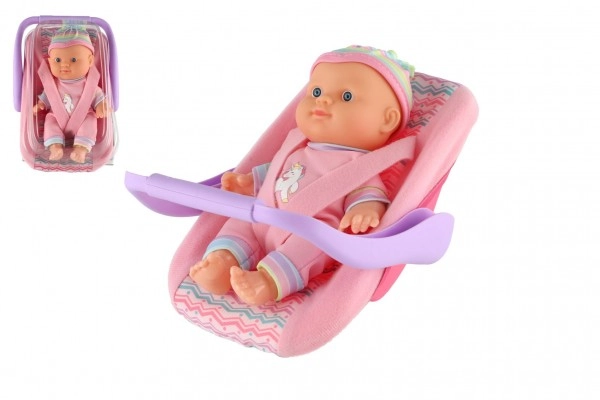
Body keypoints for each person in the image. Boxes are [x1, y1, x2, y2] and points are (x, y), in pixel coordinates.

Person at [190, 45, 414, 306]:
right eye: (316, 92)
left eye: (347, 96)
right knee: (239, 222)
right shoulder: (297, 147)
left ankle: (266, 282)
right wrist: (248, 182)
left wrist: (364, 211)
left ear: (387, 120)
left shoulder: (360, 166)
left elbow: (369, 195)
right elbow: (277, 174)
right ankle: (221, 262)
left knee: (312, 246)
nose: (323, 100)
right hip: (261, 216)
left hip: (309, 230)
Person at [33, 25, 108, 163]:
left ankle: (81, 149)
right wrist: (41, 104)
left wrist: (101, 105)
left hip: (83, 117)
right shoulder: (53, 85)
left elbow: (97, 95)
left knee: (90, 120)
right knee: (50, 121)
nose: (64, 65)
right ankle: (55, 146)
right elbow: (48, 95)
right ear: (49, 62)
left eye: (73, 60)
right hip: (56, 117)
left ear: (90, 61)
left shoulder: (89, 85)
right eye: (58, 60)